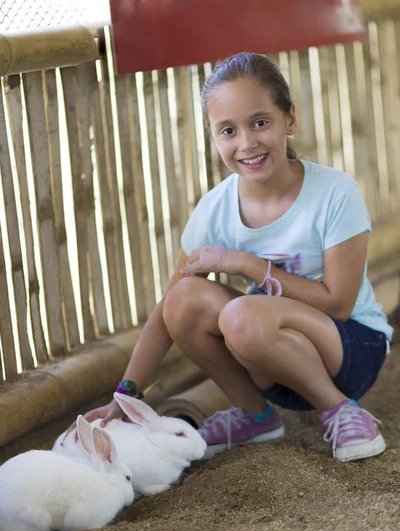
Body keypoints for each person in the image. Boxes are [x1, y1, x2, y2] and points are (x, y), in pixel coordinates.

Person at [67, 52, 393, 462]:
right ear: (213, 136)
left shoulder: (334, 192)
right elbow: (170, 310)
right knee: (185, 298)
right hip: (269, 359)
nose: (246, 143)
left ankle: (342, 410)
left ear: (289, 120)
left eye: (260, 122)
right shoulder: (215, 209)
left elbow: (339, 303)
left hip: (350, 351)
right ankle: (255, 414)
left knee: (244, 316)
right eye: (228, 130)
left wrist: (248, 264)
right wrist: (124, 396)